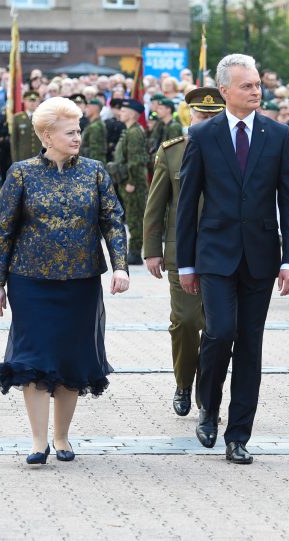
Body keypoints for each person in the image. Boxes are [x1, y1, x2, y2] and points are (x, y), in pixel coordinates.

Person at [0, 97, 129, 466]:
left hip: (80, 282)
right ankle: (38, 441)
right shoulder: (22, 173)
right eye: (70, 132)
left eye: (79, 130)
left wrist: (120, 266)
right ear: (48, 135)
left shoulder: (95, 172)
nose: (77, 137)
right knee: (33, 359)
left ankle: (62, 436)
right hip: (30, 281)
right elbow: (4, 230)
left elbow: (112, 221)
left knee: (71, 358)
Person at [176, 53, 289, 465]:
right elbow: (187, 203)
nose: (255, 91)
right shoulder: (203, 135)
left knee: (250, 344)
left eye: (258, 85)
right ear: (225, 90)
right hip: (214, 254)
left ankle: (238, 434)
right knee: (219, 332)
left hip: (262, 256)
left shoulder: (278, 134)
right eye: (246, 85)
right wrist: (186, 264)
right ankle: (208, 406)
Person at [143, 87, 226, 417]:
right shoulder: (173, 152)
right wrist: (151, 249)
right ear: (189, 116)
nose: (205, 121)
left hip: (223, 252)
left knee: (218, 328)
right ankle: (183, 383)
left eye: (212, 116)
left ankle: (208, 392)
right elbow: (156, 204)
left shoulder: (231, 149)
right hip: (183, 252)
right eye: (201, 116)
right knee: (187, 321)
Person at [108, 99, 148, 265]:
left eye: (124, 111)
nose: (120, 113)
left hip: (133, 183)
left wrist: (131, 181)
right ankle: (133, 251)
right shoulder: (130, 131)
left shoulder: (133, 133)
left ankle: (135, 252)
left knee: (134, 217)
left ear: (132, 114)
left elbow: (136, 160)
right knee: (132, 216)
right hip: (126, 180)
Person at [9, 91, 44, 162]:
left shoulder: (43, 117)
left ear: (39, 102)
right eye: (29, 100)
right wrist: (15, 161)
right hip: (23, 158)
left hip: (40, 158)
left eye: (34, 100)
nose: (32, 103)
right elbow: (14, 142)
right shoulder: (17, 118)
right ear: (24, 101)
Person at [80, 98, 107, 163]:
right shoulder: (93, 125)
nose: (85, 110)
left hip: (92, 166)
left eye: (87, 107)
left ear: (94, 108)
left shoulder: (96, 127)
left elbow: (96, 151)